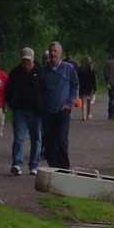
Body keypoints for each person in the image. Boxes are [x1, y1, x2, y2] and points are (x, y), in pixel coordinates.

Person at [38, 40, 79, 169]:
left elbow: (75, 86)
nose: (53, 54)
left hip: (63, 110)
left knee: (62, 140)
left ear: (60, 53)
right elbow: (38, 90)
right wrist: (41, 107)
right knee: (49, 142)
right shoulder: (43, 70)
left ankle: (64, 168)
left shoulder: (68, 68)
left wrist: (69, 102)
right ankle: (53, 168)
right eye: (51, 51)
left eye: (55, 51)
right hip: (48, 111)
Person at [5, 47, 43, 175]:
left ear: (33, 60)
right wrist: (13, 105)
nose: (26, 64)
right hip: (20, 110)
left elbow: (46, 90)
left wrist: (42, 107)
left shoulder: (40, 72)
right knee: (19, 138)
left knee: (36, 139)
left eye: (28, 61)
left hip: (36, 112)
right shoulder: (16, 73)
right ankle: (17, 164)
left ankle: (34, 165)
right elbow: (8, 90)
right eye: (24, 61)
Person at [77, 56, 97, 121]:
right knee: (89, 102)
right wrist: (94, 88)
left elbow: (78, 79)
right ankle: (88, 115)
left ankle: (84, 116)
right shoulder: (91, 70)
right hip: (89, 88)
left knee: (83, 102)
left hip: (82, 87)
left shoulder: (79, 70)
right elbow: (93, 80)